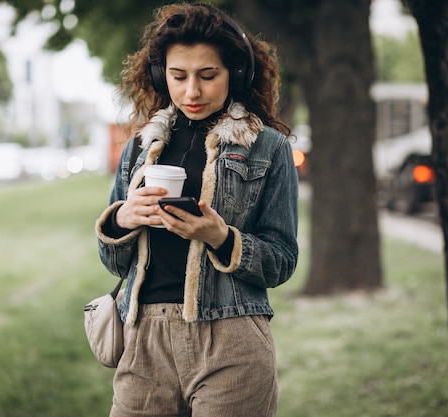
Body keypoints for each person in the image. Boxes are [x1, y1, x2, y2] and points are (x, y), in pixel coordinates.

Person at [95, 3, 299, 416]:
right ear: (159, 75)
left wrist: (220, 238)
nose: (192, 91)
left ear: (236, 75)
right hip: (143, 339)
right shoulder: (138, 149)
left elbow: (281, 261)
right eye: (178, 76)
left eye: (208, 76)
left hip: (232, 337)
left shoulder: (269, 149)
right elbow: (114, 263)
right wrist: (122, 220)